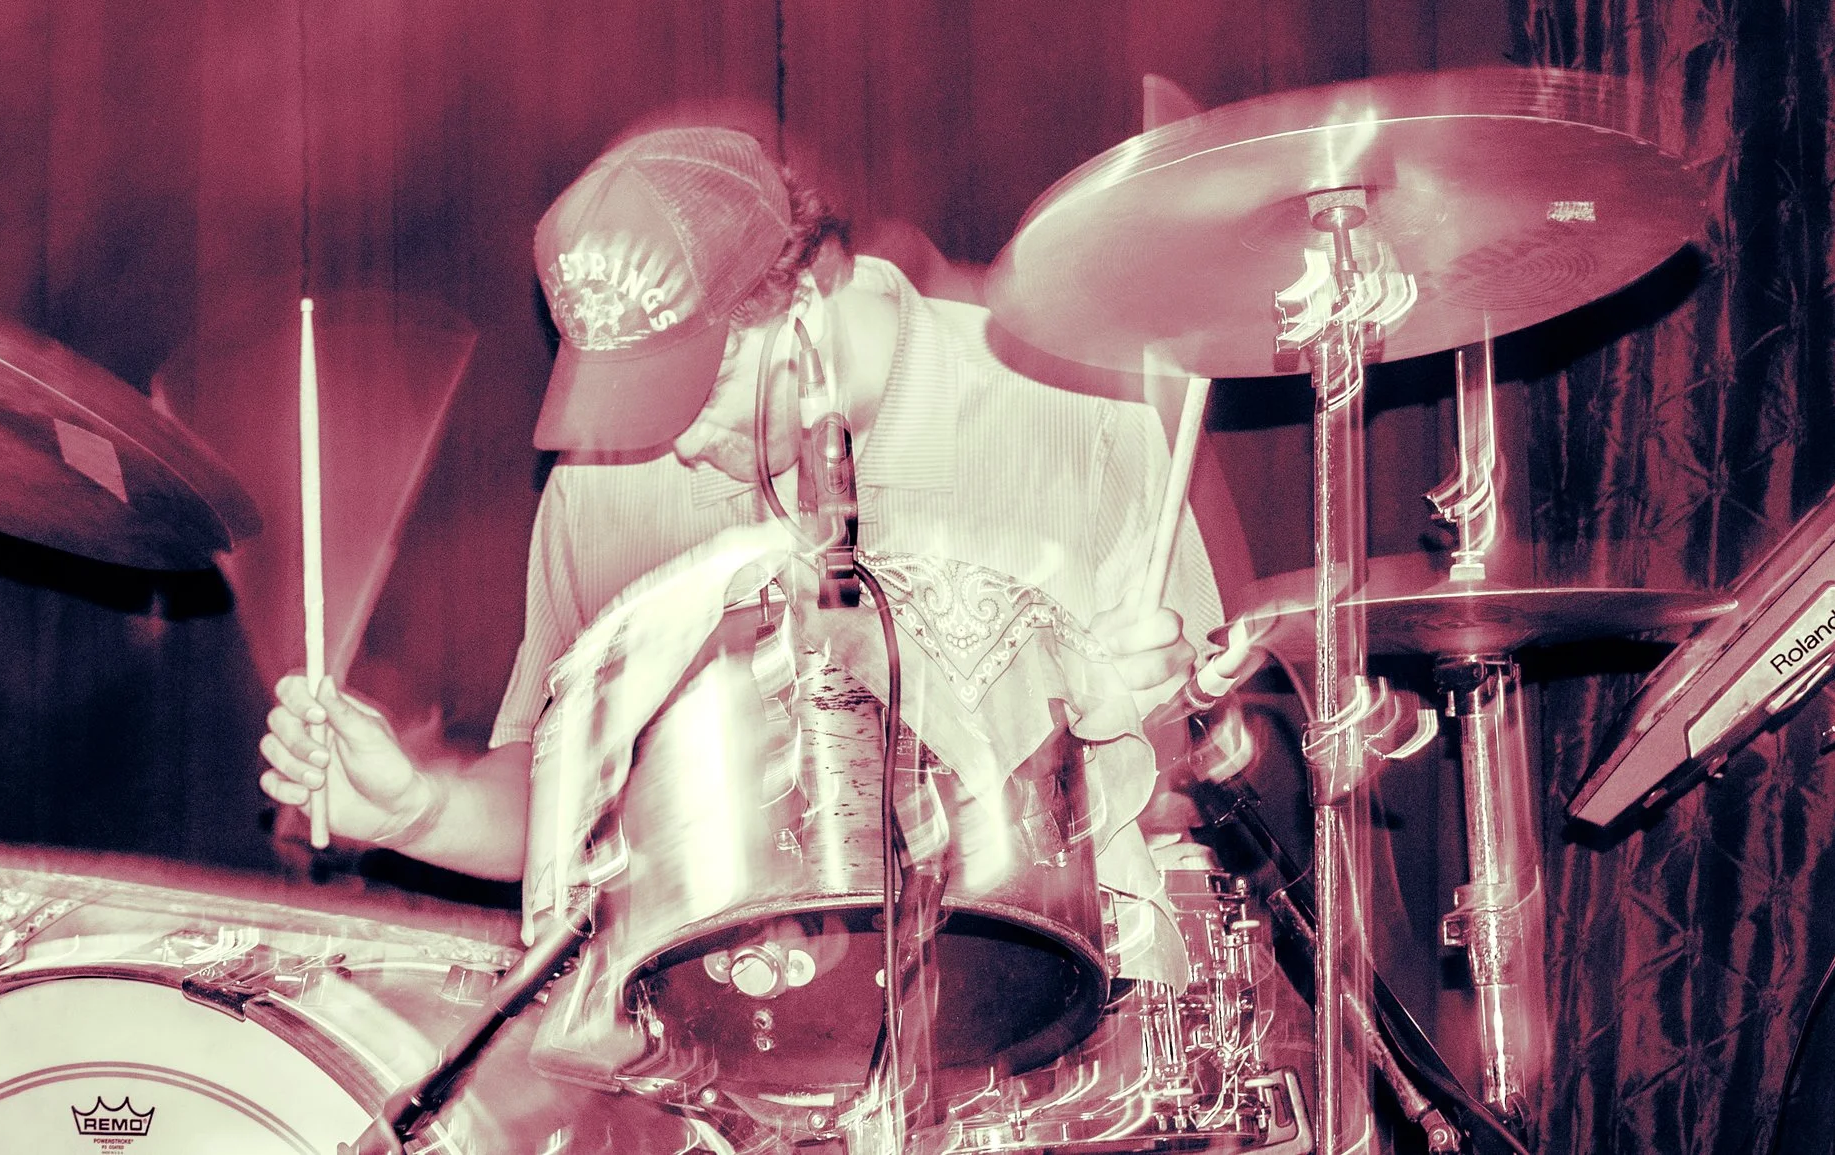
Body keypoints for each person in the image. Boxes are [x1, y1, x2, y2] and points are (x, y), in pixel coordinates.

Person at [258, 124, 1226, 976]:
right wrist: (420, 810)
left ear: (803, 299)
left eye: (698, 394)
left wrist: (1159, 712)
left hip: (1039, 1023)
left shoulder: (1073, 415)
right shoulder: (603, 480)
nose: (673, 444)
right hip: (740, 1055)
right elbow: (566, 810)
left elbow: (1206, 792)